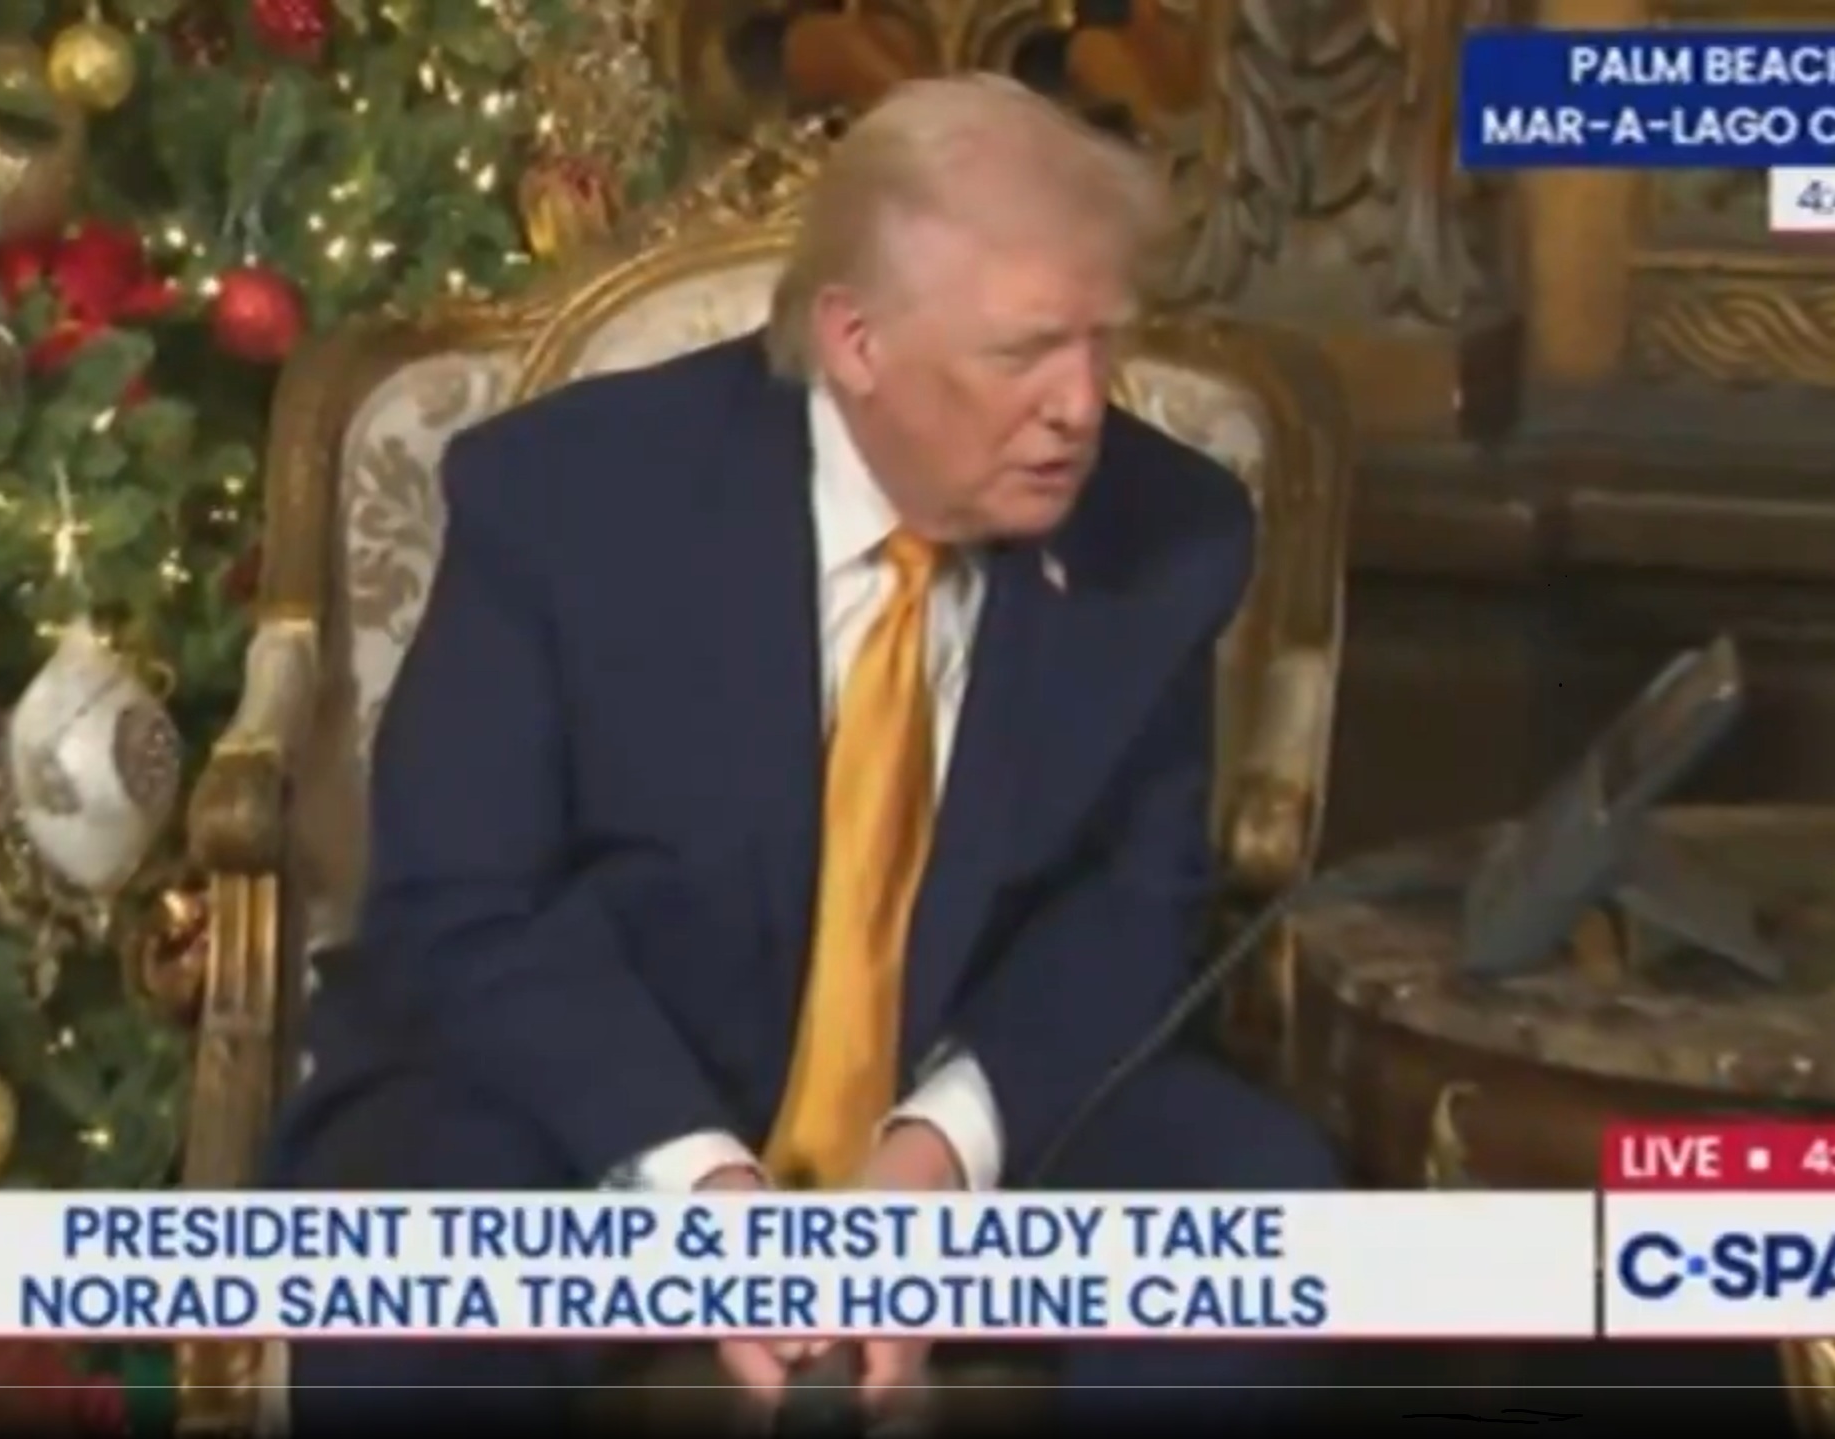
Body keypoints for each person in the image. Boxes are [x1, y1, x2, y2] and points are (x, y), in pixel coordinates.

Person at [265, 73, 1346, 1425]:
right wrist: (703, 1190)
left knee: (1264, 1232)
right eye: (1023, 352)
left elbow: (1135, 907)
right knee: (404, 1277)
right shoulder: (567, 499)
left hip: (982, 1080)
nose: (1080, 405)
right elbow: (467, 903)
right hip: (590, 1077)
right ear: (855, 340)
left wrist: (940, 1158)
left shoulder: (1163, 532)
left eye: (1100, 343)